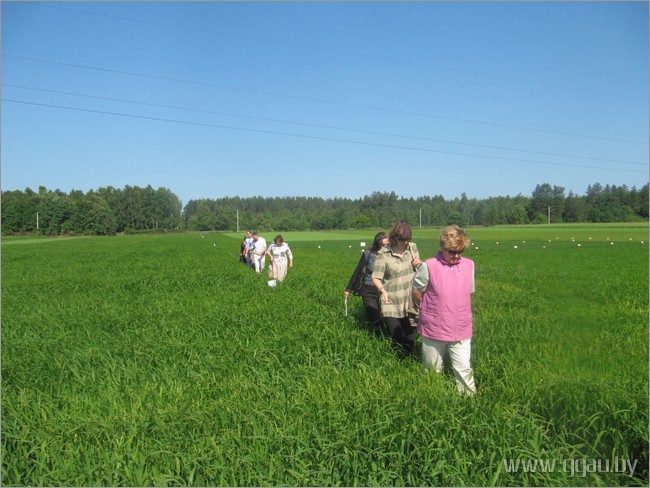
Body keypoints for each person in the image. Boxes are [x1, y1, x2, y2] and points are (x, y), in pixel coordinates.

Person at [412, 225, 476, 396]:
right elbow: (417, 291)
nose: (456, 256)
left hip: (461, 327)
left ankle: (469, 401)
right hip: (434, 327)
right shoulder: (428, 266)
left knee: (463, 367)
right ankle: (431, 399)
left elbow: (468, 292)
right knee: (432, 369)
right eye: (451, 251)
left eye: (459, 251)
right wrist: (430, 309)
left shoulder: (469, 265)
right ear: (442, 247)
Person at [372, 220, 421, 356]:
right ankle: (396, 362)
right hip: (391, 301)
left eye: (408, 239)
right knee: (396, 336)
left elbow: (419, 271)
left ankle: (409, 363)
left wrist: (419, 264)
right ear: (394, 238)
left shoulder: (412, 248)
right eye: (402, 240)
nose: (406, 242)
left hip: (410, 301)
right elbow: (376, 277)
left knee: (410, 338)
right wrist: (382, 290)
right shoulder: (384, 253)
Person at [344, 232, 389, 334]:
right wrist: (348, 289)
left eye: (387, 245)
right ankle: (375, 337)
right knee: (374, 316)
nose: (385, 247)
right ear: (377, 243)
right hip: (368, 289)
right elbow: (358, 271)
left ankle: (385, 336)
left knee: (385, 316)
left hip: (384, 290)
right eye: (383, 245)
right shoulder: (368, 254)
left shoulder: (390, 255)